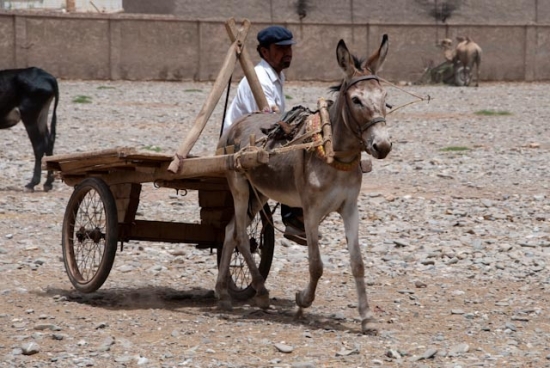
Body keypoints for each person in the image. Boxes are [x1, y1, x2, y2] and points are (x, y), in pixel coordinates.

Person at [222, 25, 308, 245]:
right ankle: (292, 217)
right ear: (264, 52)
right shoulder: (259, 79)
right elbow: (259, 124)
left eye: (289, 48)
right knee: (292, 158)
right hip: (238, 144)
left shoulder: (276, 77)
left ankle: (298, 215)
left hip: (260, 138)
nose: (287, 53)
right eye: (280, 49)